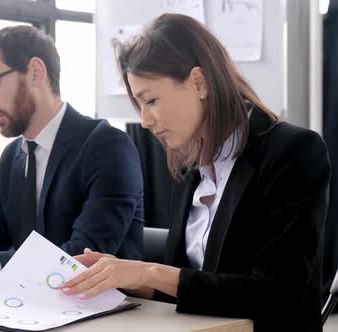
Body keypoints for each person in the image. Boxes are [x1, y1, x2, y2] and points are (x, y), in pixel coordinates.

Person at [61, 14, 331, 332]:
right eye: (139, 105)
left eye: (151, 100)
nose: (145, 120)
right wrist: (116, 275)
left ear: (199, 83)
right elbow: (188, 283)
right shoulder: (193, 168)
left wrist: (148, 272)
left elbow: (278, 295)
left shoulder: (293, 151)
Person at [0, 25, 144, 284]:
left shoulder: (107, 146)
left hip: (106, 311)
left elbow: (84, 255)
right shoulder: (12, 156)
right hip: (30, 306)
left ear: (35, 71)